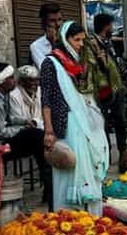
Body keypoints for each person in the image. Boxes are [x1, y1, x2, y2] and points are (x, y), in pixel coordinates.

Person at [41, 21, 110, 215]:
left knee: (90, 163)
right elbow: (45, 99)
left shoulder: (82, 62)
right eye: (76, 39)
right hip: (67, 123)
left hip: (86, 121)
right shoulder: (51, 62)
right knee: (71, 166)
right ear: (66, 39)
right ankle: (68, 215)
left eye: (82, 40)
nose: (80, 44)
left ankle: (92, 215)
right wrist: (48, 130)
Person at [93, 13, 127, 172]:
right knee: (104, 124)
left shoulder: (109, 43)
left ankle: (123, 153)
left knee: (121, 121)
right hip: (103, 92)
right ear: (106, 26)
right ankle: (105, 155)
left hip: (117, 90)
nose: (112, 29)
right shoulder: (92, 44)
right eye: (111, 25)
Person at [10, 65, 43, 130]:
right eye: (31, 80)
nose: (35, 83)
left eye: (37, 80)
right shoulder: (13, 96)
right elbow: (19, 121)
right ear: (22, 82)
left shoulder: (40, 91)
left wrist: (36, 122)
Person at [31, 3, 63, 67]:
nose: (58, 24)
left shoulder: (68, 40)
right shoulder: (36, 46)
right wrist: (53, 43)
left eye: (59, 20)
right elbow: (47, 69)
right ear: (44, 23)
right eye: (53, 21)